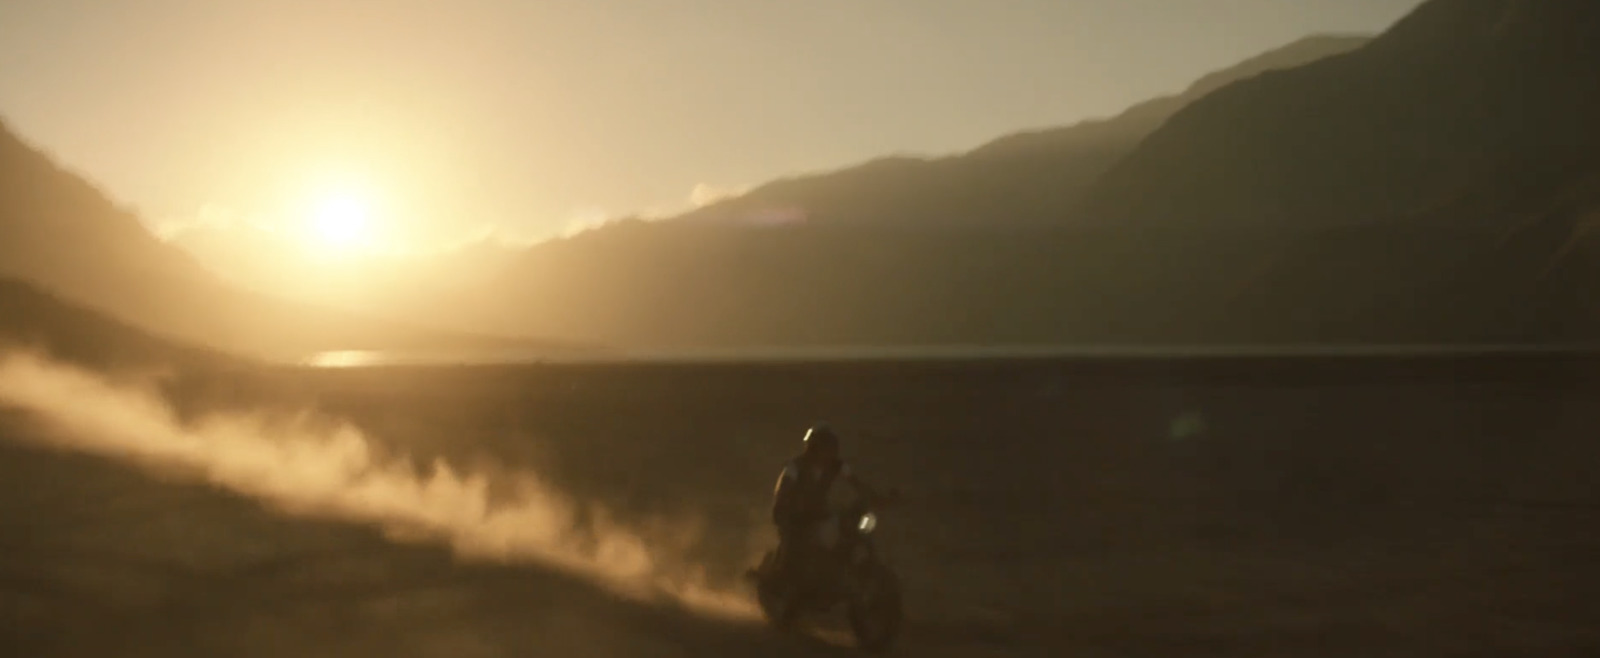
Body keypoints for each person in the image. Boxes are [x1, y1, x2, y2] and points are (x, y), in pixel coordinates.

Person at [770, 423, 877, 589]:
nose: (830, 453)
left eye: (832, 448)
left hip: (821, 514)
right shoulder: (795, 467)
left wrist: (876, 498)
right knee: (793, 547)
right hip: (797, 516)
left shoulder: (837, 466)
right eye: (825, 448)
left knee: (849, 534)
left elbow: (857, 484)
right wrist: (784, 509)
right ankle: (778, 581)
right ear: (813, 448)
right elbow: (783, 491)